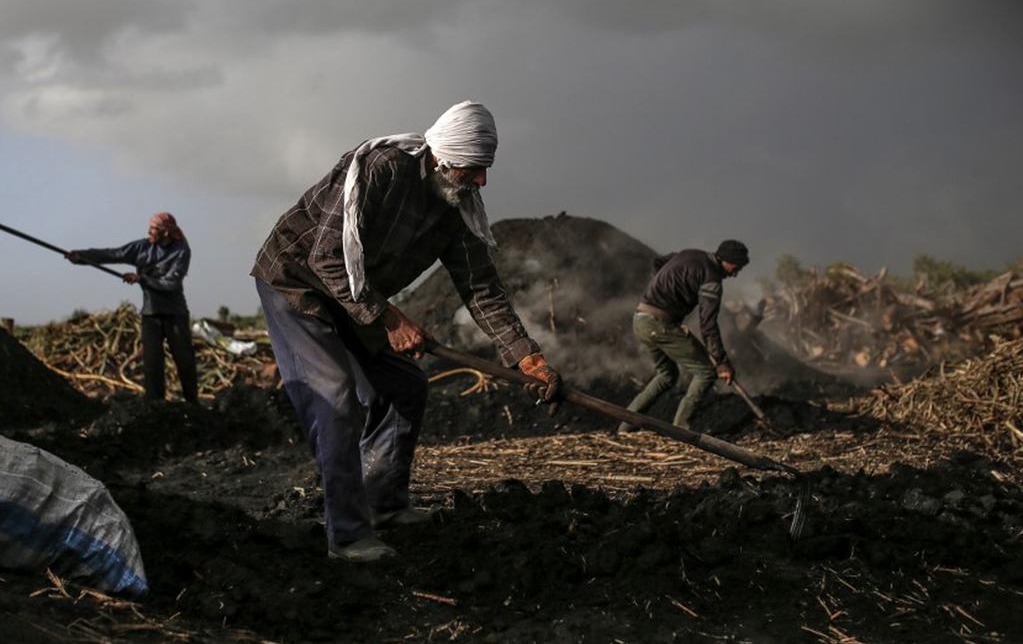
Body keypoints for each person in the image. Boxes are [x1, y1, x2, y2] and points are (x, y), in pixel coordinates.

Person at [251, 101, 563, 562]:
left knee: (404, 385)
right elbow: (326, 260)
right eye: (474, 169)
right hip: (299, 286)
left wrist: (526, 357)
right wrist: (391, 320)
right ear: (443, 157)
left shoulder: (458, 208)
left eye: (485, 170)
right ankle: (350, 536)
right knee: (335, 398)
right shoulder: (380, 170)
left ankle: (384, 505)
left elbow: (481, 289)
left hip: (358, 298)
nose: (481, 182)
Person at [66, 213, 198, 405]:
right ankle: (155, 404)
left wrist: (142, 279)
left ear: (166, 232)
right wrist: (82, 257)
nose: (149, 232)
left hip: (175, 314)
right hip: (150, 314)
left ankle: (192, 403)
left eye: (153, 229)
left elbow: (171, 283)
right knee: (152, 363)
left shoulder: (181, 251)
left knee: (184, 360)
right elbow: (113, 253)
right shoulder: (142, 247)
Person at [619, 240, 749, 433]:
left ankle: (625, 428)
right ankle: (681, 431)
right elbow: (708, 325)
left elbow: (658, 263)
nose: (735, 273)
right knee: (706, 372)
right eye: (735, 267)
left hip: (640, 319)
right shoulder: (712, 281)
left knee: (667, 375)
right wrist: (722, 363)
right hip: (659, 325)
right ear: (725, 260)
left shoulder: (689, 253)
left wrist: (662, 292)